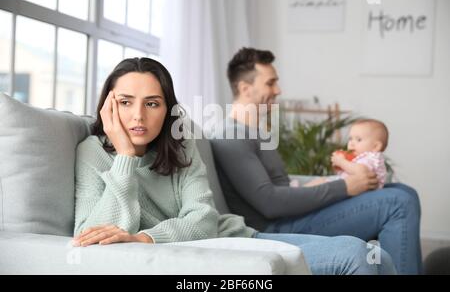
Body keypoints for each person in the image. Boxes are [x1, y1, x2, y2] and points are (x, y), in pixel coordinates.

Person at [72, 57, 395, 275]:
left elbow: (203, 221)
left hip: (236, 237)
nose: (138, 116)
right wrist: (126, 158)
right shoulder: (91, 152)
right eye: (126, 102)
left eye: (152, 103)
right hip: (212, 256)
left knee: (377, 255)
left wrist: (144, 238)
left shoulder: (182, 146)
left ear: (167, 109)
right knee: (355, 257)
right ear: (108, 107)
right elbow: (91, 234)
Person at [208, 47, 422, 274]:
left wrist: (319, 183)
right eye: (270, 83)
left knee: (404, 191)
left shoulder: (255, 131)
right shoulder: (230, 135)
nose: (278, 90)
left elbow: (280, 185)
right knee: (397, 203)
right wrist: (345, 186)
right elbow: (270, 203)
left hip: (294, 215)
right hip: (277, 227)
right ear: (245, 88)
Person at [304, 119, 388, 189]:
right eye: (350, 139)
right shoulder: (359, 157)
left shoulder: (371, 158)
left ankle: (299, 193)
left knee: (321, 183)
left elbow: (362, 172)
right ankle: (300, 192)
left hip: (359, 192)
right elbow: (350, 172)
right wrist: (339, 167)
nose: (351, 143)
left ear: (376, 146)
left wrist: (342, 162)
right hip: (351, 187)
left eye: (358, 139)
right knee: (320, 181)